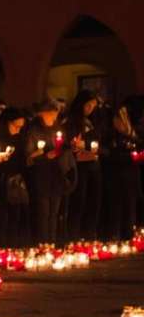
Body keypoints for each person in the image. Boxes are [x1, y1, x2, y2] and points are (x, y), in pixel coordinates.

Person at [24, 99, 70, 245]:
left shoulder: (58, 129)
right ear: (42, 114)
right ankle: (42, 242)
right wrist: (44, 156)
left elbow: (63, 146)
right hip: (41, 175)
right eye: (50, 114)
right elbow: (29, 156)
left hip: (57, 174)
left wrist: (65, 149)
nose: (53, 117)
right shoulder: (34, 131)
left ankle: (53, 240)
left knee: (54, 212)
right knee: (43, 212)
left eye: (55, 114)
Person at [0, 107, 30, 248]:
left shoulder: (19, 139)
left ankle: (12, 248)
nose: (18, 129)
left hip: (15, 183)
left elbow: (23, 161)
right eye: (16, 126)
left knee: (15, 216)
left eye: (21, 127)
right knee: (0, 217)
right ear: (6, 123)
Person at [63, 90, 102, 241]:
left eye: (93, 106)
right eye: (88, 105)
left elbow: (100, 143)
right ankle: (74, 235)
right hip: (79, 167)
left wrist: (87, 145)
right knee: (79, 200)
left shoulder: (94, 121)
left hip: (94, 167)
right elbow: (69, 143)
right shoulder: (71, 121)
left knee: (94, 200)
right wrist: (76, 145)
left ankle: (90, 234)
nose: (90, 108)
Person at [104, 102, 142, 240]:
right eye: (119, 119)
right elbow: (110, 155)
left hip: (131, 178)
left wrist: (137, 155)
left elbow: (139, 148)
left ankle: (129, 235)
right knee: (116, 208)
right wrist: (129, 157)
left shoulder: (132, 135)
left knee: (130, 206)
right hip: (116, 178)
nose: (122, 123)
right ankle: (115, 235)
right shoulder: (110, 135)